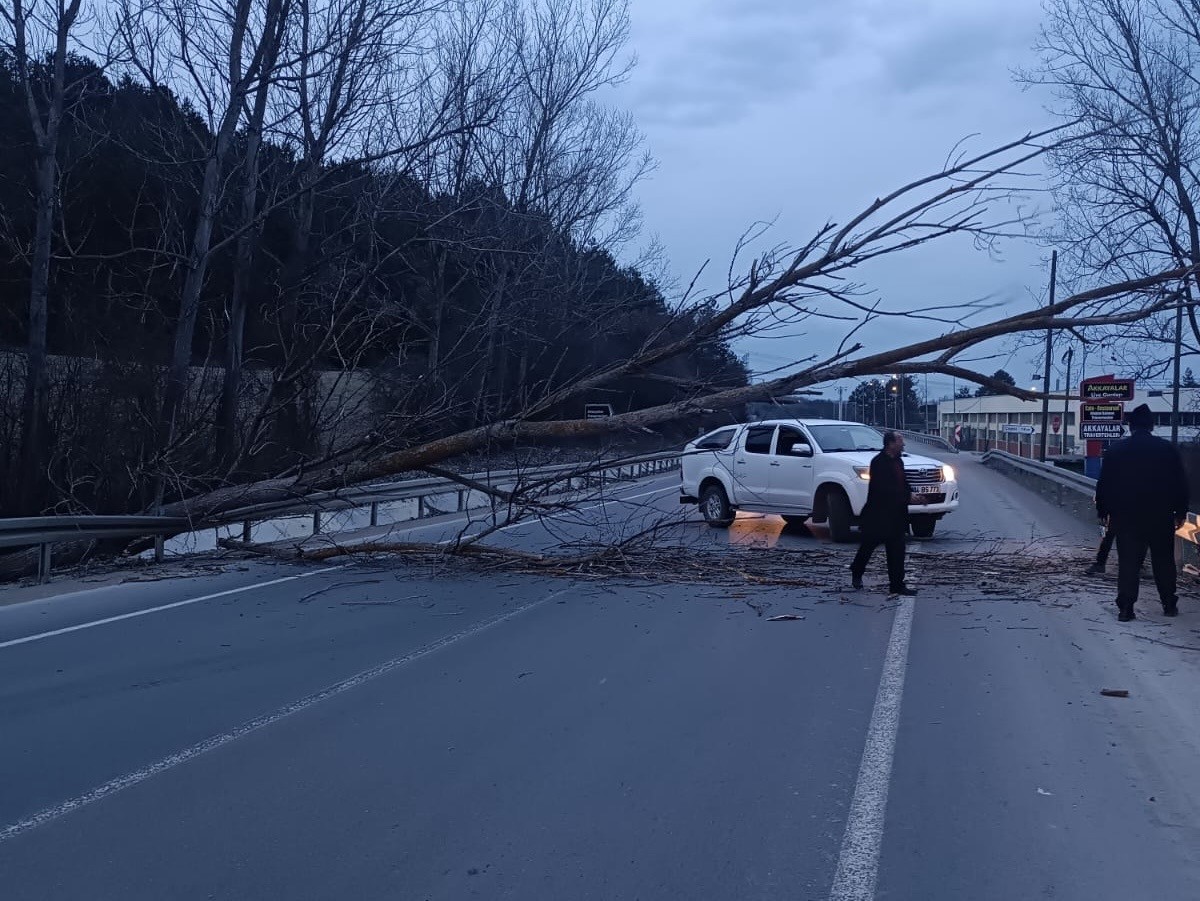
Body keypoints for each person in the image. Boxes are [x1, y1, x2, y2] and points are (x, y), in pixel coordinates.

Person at [1095, 403, 1189, 621]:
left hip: (1125, 517)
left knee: (1129, 562)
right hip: (1160, 515)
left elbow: (1105, 484)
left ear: (1131, 426)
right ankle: (1168, 604)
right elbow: (1180, 484)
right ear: (1152, 426)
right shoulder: (1167, 449)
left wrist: (1103, 510)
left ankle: (1126, 608)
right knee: (1163, 561)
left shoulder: (1116, 450)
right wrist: (1180, 511)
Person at [850, 430, 927, 596]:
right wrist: (908, 496)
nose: (903, 444)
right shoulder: (878, 463)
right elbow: (884, 489)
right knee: (868, 547)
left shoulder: (898, 461)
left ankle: (897, 585)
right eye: (900, 441)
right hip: (878, 515)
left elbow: (902, 483)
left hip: (897, 515)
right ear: (891, 444)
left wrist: (913, 495)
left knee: (897, 551)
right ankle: (856, 571)